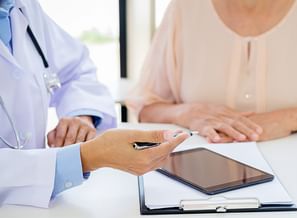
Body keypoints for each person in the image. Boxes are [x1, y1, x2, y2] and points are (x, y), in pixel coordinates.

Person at [0, 0, 189, 207]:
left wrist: (81, 115)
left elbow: (77, 70)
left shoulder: (21, 7)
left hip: (35, 217)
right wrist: (89, 156)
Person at [127, 0, 297, 143]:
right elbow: (146, 106)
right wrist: (186, 112)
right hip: (200, 186)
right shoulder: (184, 7)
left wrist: (289, 119)